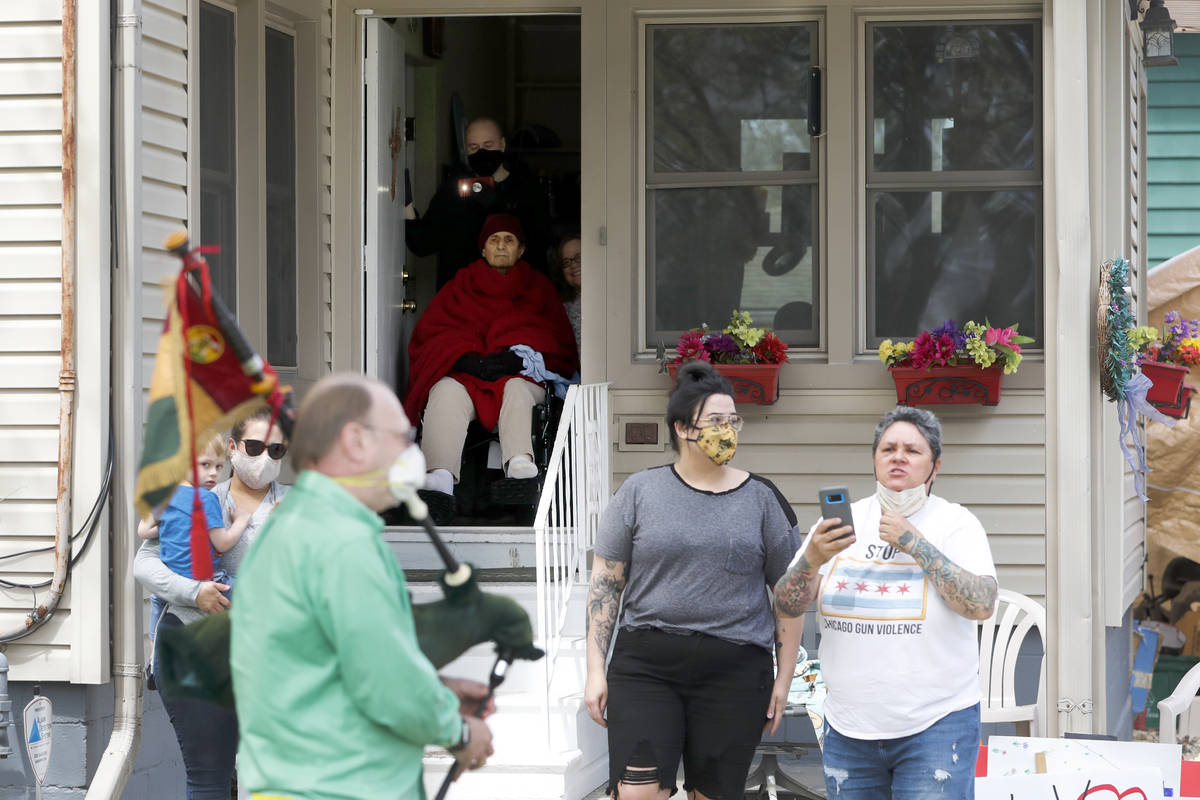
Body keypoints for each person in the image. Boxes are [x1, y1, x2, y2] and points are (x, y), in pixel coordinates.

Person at [230, 374, 495, 800]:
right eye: (401, 436)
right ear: (355, 441)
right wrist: (461, 731)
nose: (410, 453)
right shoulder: (345, 544)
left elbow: (330, 664)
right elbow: (387, 685)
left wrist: (437, 689)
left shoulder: (290, 525)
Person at [584, 361, 803, 800]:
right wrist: (594, 670)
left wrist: (785, 678)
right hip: (647, 665)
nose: (728, 430)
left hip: (735, 669)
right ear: (684, 429)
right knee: (636, 792)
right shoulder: (639, 492)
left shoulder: (763, 498)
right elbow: (605, 586)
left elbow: (789, 596)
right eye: (716, 421)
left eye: (733, 420)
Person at [773, 406, 998, 799]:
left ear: (935, 466)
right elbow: (788, 604)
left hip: (936, 723)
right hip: (848, 726)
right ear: (874, 459)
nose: (898, 457)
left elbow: (981, 604)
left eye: (912, 450)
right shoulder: (842, 524)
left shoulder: (955, 523)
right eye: (887, 448)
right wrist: (812, 559)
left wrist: (914, 542)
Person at [132, 411, 289, 800]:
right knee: (209, 778)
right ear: (233, 448)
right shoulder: (199, 497)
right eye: (254, 447)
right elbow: (145, 563)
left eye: (276, 449)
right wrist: (194, 591)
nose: (264, 457)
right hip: (194, 645)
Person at [403, 213, 578, 523]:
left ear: (521, 250)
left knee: (515, 389)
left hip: (520, 376)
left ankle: (520, 464)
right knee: (445, 390)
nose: (500, 246)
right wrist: (462, 358)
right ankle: (439, 477)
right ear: (482, 249)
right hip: (470, 376)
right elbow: (432, 335)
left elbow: (558, 343)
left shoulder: (538, 288)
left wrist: (517, 359)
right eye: (493, 240)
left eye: (508, 240)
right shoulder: (461, 284)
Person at [405, 117, 553, 287]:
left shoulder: (528, 190)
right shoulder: (453, 191)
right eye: (474, 147)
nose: (481, 153)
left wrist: (500, 207)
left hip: (512, 297)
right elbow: (424, 243)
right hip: (462, 298)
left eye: (488, 145)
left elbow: (539, 246)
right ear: (466, 150)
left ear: (503, 144)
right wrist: (406, 204)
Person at [137, 431, 245, 640]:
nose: (213, 473)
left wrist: (167, 527)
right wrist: (241, 522)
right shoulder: (206, 499)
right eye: (205, 465)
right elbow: (222, 543)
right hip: (204, 579)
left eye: (219, 466)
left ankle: (154, 648)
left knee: (158, 603)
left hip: (171, 576)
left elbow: (143, 531)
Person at [553, 233, 582, 352]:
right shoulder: (562, 308)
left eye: (579, 258)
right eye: (566, 262)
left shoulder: (611, 297)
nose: (573, 265)